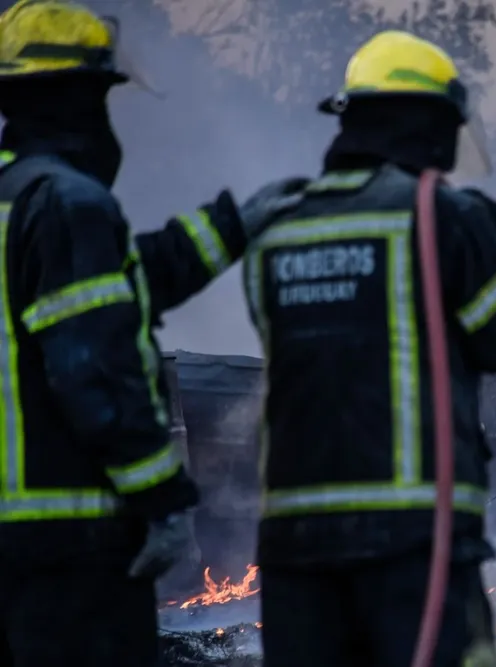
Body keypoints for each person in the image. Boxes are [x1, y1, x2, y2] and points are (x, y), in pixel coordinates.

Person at [242, 29, 496, 667]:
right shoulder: (440, 216)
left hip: (294, 547)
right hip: (414, 543)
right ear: (428, 124)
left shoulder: (279, 226)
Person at [0, 2, 307, 666]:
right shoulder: (68, 205)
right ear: (78, 97)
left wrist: (233, 224)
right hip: (68, 541)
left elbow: (124, 290)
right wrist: (163, 501)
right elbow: (92, 362)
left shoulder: (15, 205)